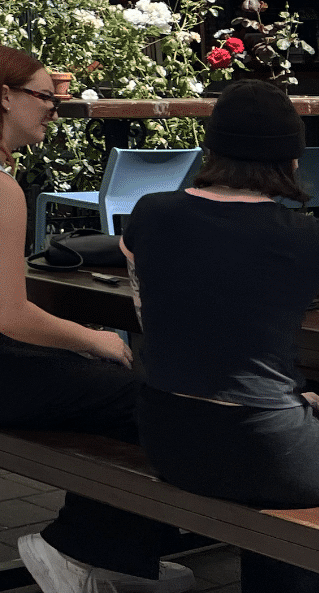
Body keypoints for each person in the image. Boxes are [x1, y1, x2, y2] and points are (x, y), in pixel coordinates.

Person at [0, 45, 186, 593]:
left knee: (114, 391)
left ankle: (110, 549)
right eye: (45, 96)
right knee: (140, 399)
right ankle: (75, 548)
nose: (54, 108)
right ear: (5, 97)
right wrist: (96, 340)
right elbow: (12, 316)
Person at [128, 81, 319, 593]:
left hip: (167, 436)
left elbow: (160, 322)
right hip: (266, 448)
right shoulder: (302, 237)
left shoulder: (150, 213)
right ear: (291, 159)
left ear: (210, 148)